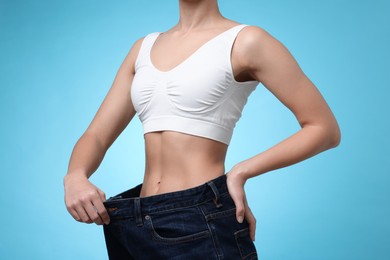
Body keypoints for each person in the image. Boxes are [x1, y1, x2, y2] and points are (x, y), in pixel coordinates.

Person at [63, 0, 341, 259]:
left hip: (200, 216)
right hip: (131, 222)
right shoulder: (142, 48)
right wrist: (75, 176)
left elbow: (324, 128)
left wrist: (242, 171)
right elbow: (96, 135)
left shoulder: (246, 41)